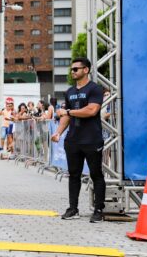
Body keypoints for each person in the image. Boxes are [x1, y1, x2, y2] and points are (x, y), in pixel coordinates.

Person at [51, 57, 106, 223]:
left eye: (76, 69)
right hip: (73, 140)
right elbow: (65, 118)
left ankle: (98, 210)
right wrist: (59, 133)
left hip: (92, 139)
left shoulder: (95, 89)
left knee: (96, 174)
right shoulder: (69, 92)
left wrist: (68, 112)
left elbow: (91, 110)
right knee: (74, 175)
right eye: (71, 69)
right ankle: (73, 208)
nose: (72, 71)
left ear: (86, 70)